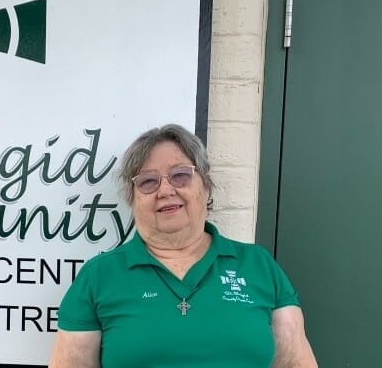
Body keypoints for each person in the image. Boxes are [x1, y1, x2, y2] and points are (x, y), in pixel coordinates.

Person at [49, 124, 317, 368]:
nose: (165, 190)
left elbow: (294, 362)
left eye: (180, 176)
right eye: (148, 181)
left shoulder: (258, 266)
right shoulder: (99, 276)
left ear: (206, 187)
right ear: (133, 199)